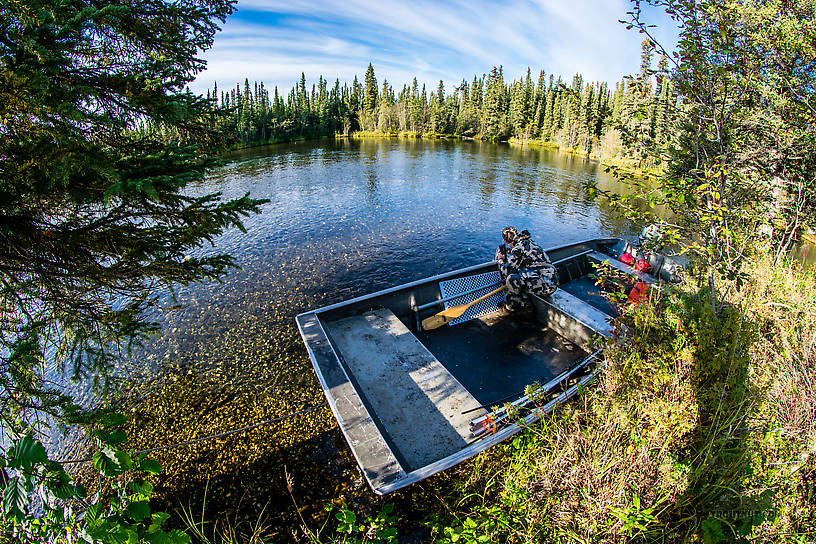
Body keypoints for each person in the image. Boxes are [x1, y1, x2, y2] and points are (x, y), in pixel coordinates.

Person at [495, 226, 559, 312]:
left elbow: (505, 271)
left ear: (507, 241)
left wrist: (500, 260)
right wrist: (509, 251)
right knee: (520, 274)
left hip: (546, 287)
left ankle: (512, 307)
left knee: (512, 279)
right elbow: (523, 253)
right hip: (552, 281)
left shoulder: (517, 248)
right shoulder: (528, 242)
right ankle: (527, 306)